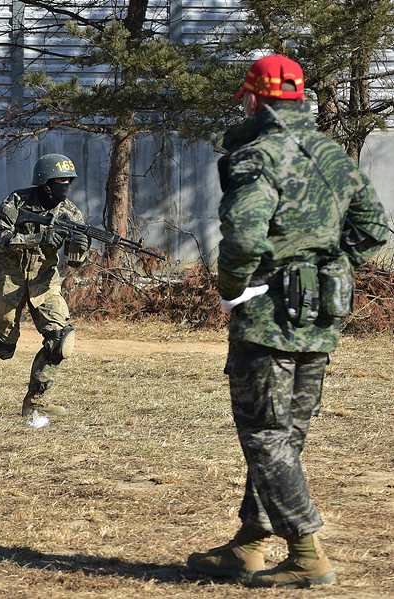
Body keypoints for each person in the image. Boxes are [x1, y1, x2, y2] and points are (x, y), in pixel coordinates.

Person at [186, 55, 387, 588]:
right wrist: (323, 269)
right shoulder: (333, 155)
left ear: (254, 99)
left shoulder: (257, 155)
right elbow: (373, 231)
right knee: (286, 434)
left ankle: (307, 553)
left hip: (266, 318)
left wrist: (234, 289)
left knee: (265, 437)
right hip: (321, 316)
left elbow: (245, 236)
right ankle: (249, 544)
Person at [0, 153, 89, 416]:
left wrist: (80, 248)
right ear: (45, 181)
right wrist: (41, 236)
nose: (65, 185)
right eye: (60, 181)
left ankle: (34, 401)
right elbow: (0, 239)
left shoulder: (71, 212)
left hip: (44, 282)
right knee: (4, 349)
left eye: (69, 181)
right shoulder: (16, 201)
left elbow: (75, 261)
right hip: (8, 280)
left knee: (60, 339)